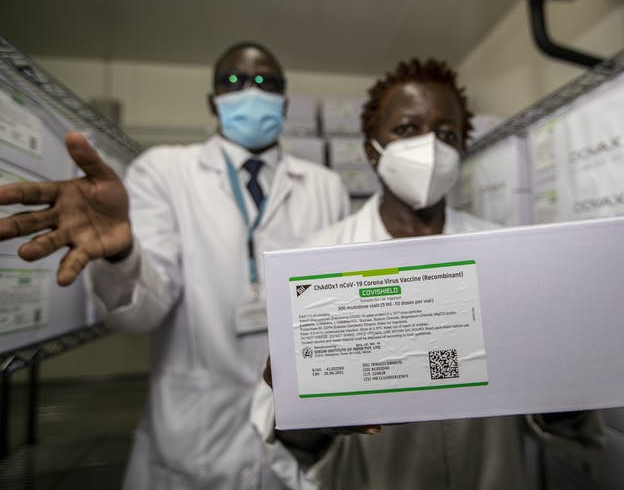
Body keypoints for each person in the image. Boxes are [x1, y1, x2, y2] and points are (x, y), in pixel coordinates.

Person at [0, 42, 350, 489]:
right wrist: (121, 254)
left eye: (267, 82)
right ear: (213, 99)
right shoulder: (164, 171)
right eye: (235, 80)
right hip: (192, 438)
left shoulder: (326, 187)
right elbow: (143, 311)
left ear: (285, 101)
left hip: (298, 432)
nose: (252, 90)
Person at [251, 58, 604, 489]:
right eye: (405, 129)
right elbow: (282, 437)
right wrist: (310, 415)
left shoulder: (506, 256)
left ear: (461, 151)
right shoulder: (318, 260)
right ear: (370, 147)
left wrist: (562, 377)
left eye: (446, 134)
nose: (429, 148)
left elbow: (559, 420)